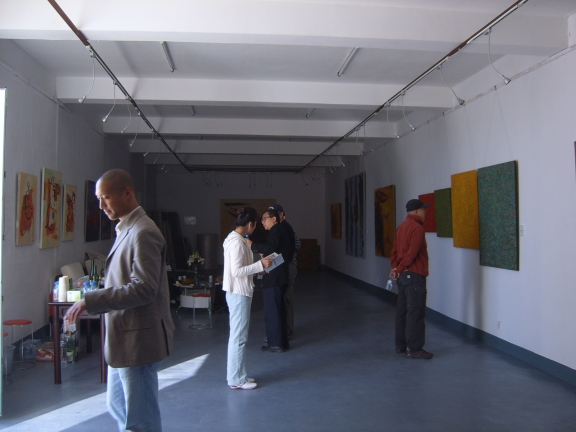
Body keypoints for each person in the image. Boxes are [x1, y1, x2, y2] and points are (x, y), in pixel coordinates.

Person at [66, 169, 175, 431]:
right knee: (117, 405)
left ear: (127, 193)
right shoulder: (127, 228)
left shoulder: (143, 232)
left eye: (105, 198)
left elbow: (144, 288)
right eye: (98, 199)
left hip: (139, 339)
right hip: (124, 339)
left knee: (139, 420)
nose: (101, 206)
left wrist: (92, 300)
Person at [223, 207, 273, 390]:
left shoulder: (237, 239)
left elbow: (242, 267)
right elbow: (236, 271)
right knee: (239, 338)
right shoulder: (236, 242)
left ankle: (237, 375)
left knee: (239, 336)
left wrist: (259, 267)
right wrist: (260, 265)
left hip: (239, 292)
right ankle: (236, 379)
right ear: (250, 224)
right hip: (238, 293)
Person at [389, 198, 433, 360]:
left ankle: (401, 345)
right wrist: (400, 268)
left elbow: (394, 252)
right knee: (415, 312)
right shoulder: (417, 228)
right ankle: (414, 348)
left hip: (403, 277)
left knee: (402, 311)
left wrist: (396, 268)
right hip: (414, 275)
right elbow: (412, 254)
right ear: (415, 211)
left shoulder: (401, 227)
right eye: (423, 209)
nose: (425, 212)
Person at [249, 209, 294, 352]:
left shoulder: (276, 230)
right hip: (280, 275)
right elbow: (279, 252)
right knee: (279, 310)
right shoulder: (284, 230)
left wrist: (251, 244)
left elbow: (270, 247)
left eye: (264, 219)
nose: (262, 222)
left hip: (274, 277)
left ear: (274, 219)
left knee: (272, 312)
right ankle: (282, 342)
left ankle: (275, 343)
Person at [268, 204, 300, 339]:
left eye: (274, 215)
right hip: (279, 267)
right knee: (280, 298)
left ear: (281, 215)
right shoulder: (277, 230)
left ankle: (287, 330)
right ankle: (281, 329)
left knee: (286, 298)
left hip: (287, 267)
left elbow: (295, 248)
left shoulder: (286, 229)